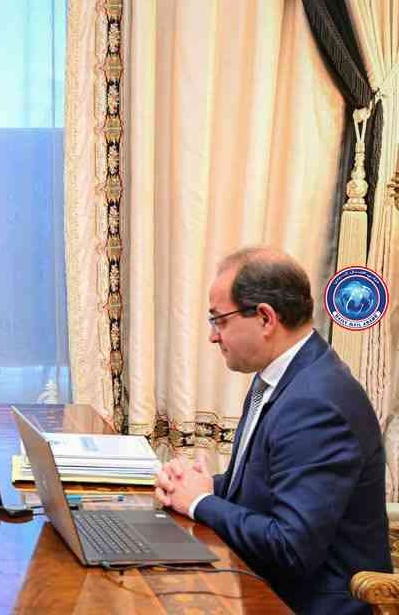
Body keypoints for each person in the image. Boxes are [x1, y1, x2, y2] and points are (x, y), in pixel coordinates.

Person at [154, 247, 391, 614]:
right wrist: (200, 486)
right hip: (266, 586)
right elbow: (266, 487)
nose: (213, 337)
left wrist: (200, 503)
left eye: (220, 321)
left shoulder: (317, 402)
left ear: (265, 318)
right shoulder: (281, 376)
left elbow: (290, 548)